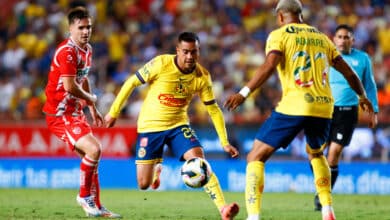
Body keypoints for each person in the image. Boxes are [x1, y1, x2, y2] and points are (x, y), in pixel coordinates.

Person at [223, 1, 374, 220]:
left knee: (255, 156)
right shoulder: (322, 38)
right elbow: (349, 72)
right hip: (323, 106)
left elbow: (269, 65)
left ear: (281, 16)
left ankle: (253, 216)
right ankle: (327, 209)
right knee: (316, 153)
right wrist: (363, 97)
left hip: (295, 104)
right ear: (300, 15)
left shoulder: (279, 34)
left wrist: (243, 93)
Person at [104, 32, 240, 220]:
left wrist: (224, 142)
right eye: (185, 52)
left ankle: (223, 208)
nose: (190, 57)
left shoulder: (202, 76)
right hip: (150, 126)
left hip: (178, 125)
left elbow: (214, 110)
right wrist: (114, 112)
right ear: (178, 50)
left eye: (194, 52)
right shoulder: (161, 63)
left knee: (199, 160)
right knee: (143, 184)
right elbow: (131, 82)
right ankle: (157, 169)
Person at [42, 7, 120, 218]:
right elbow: (69, 86)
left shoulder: (87, 49)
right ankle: (84, 196)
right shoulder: (67, 51)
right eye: (81, 27)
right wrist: (92, 98)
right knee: (94, 150)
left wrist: (92, 108)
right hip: (59, 114)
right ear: (70, 29)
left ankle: (97, 206)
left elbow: (82, 78)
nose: (86, 31)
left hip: (75, 112)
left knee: (92, 158)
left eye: (89, 27)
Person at [312, 24, 379, 211]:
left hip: (347, 112)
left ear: (353, 40)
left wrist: (373, 111)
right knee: (316, 153)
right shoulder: (325, 56)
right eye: (339, 37)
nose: (342, 40)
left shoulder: (362, 59)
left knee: (333, 155)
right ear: (334, 39)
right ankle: (321, 186)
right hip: (324, 109)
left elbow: (370, 85)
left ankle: (323, 195)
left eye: (346, 37)